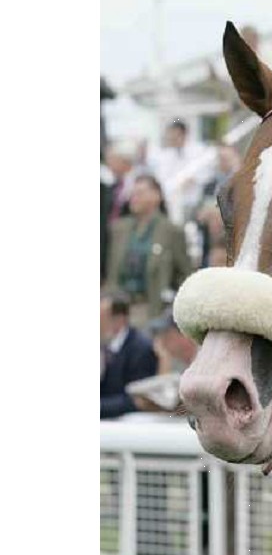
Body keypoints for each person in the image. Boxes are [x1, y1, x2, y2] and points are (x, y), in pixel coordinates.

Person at [105, 174, 192, 326]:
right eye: (132, 194)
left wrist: (171, 312)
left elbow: (185, 276)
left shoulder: (171, 231)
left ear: (157, 196)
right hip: (119, 311)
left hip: (151, 311)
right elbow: (110, 272)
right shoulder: (119, 229)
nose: (134, 198)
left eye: (140, 193)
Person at [148, 120, 218, 226]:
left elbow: (210, 174)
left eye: (175, 135)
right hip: (173, 203)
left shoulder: (200, 150)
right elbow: (161, 179)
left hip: (196, 201)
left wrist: (195, 179)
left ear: (184, 134)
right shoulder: (165, 155)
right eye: (170, 135)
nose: (172, 139)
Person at [100, 291, 157, 419]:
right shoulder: (107, 345)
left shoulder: (140, 349)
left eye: (101, 317)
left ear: (119, 319)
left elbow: (137, 400)